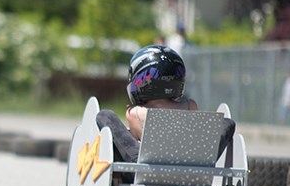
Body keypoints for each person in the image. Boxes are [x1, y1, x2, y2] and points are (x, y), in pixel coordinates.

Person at [96, 44, 235, 164]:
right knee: (227, 122)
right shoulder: (191, 106)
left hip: (144, 170)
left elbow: (132, 140)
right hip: (192, 168)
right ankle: (204, 161)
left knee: (105, 115)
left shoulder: (135, 113)